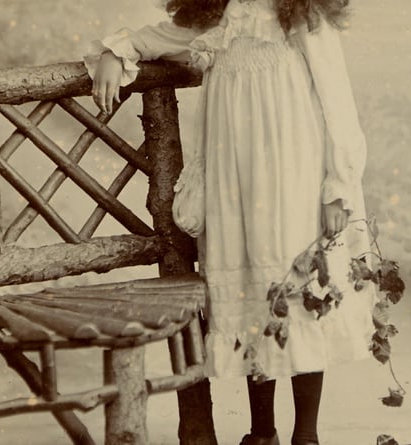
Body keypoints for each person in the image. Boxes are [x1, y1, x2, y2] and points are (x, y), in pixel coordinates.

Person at [84, 1, 377, 444]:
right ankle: (262, 433)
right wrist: (113, 54)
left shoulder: (296, 14)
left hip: (292, 173)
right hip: (235, 182)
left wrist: (337, 187)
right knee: (250, 295)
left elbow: (336, 97)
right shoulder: (214, 18)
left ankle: (307, 435)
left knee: (296, 288)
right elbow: (152, 39)